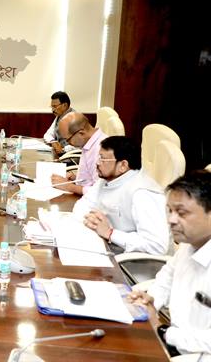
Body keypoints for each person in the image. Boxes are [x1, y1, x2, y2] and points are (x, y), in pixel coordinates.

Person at [128, 170, 211, 356]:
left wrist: (162, 330)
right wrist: (150, 300)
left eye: (181, 213)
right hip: (174, 343)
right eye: (170, 211)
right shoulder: (189, 244)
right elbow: (166, 278)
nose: (171, 220)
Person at [73, 136, 170, 255]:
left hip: (133, 261)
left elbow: (157, 246)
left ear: (123, 165)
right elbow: (82, 206)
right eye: (99, 157)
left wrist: (110, 233)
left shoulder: (143, 193)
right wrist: (93, 222)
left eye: (103, 159)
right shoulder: (107, 178)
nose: (97, 163)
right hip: (106, 246)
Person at [51, 112, 107, 195]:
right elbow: (92, 178)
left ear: (81, 133)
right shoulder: (88, 142)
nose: (68, 143)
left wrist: (69, 187)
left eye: (68, 139)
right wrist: (75, 178)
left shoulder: (102, 150)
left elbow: (101, 191)